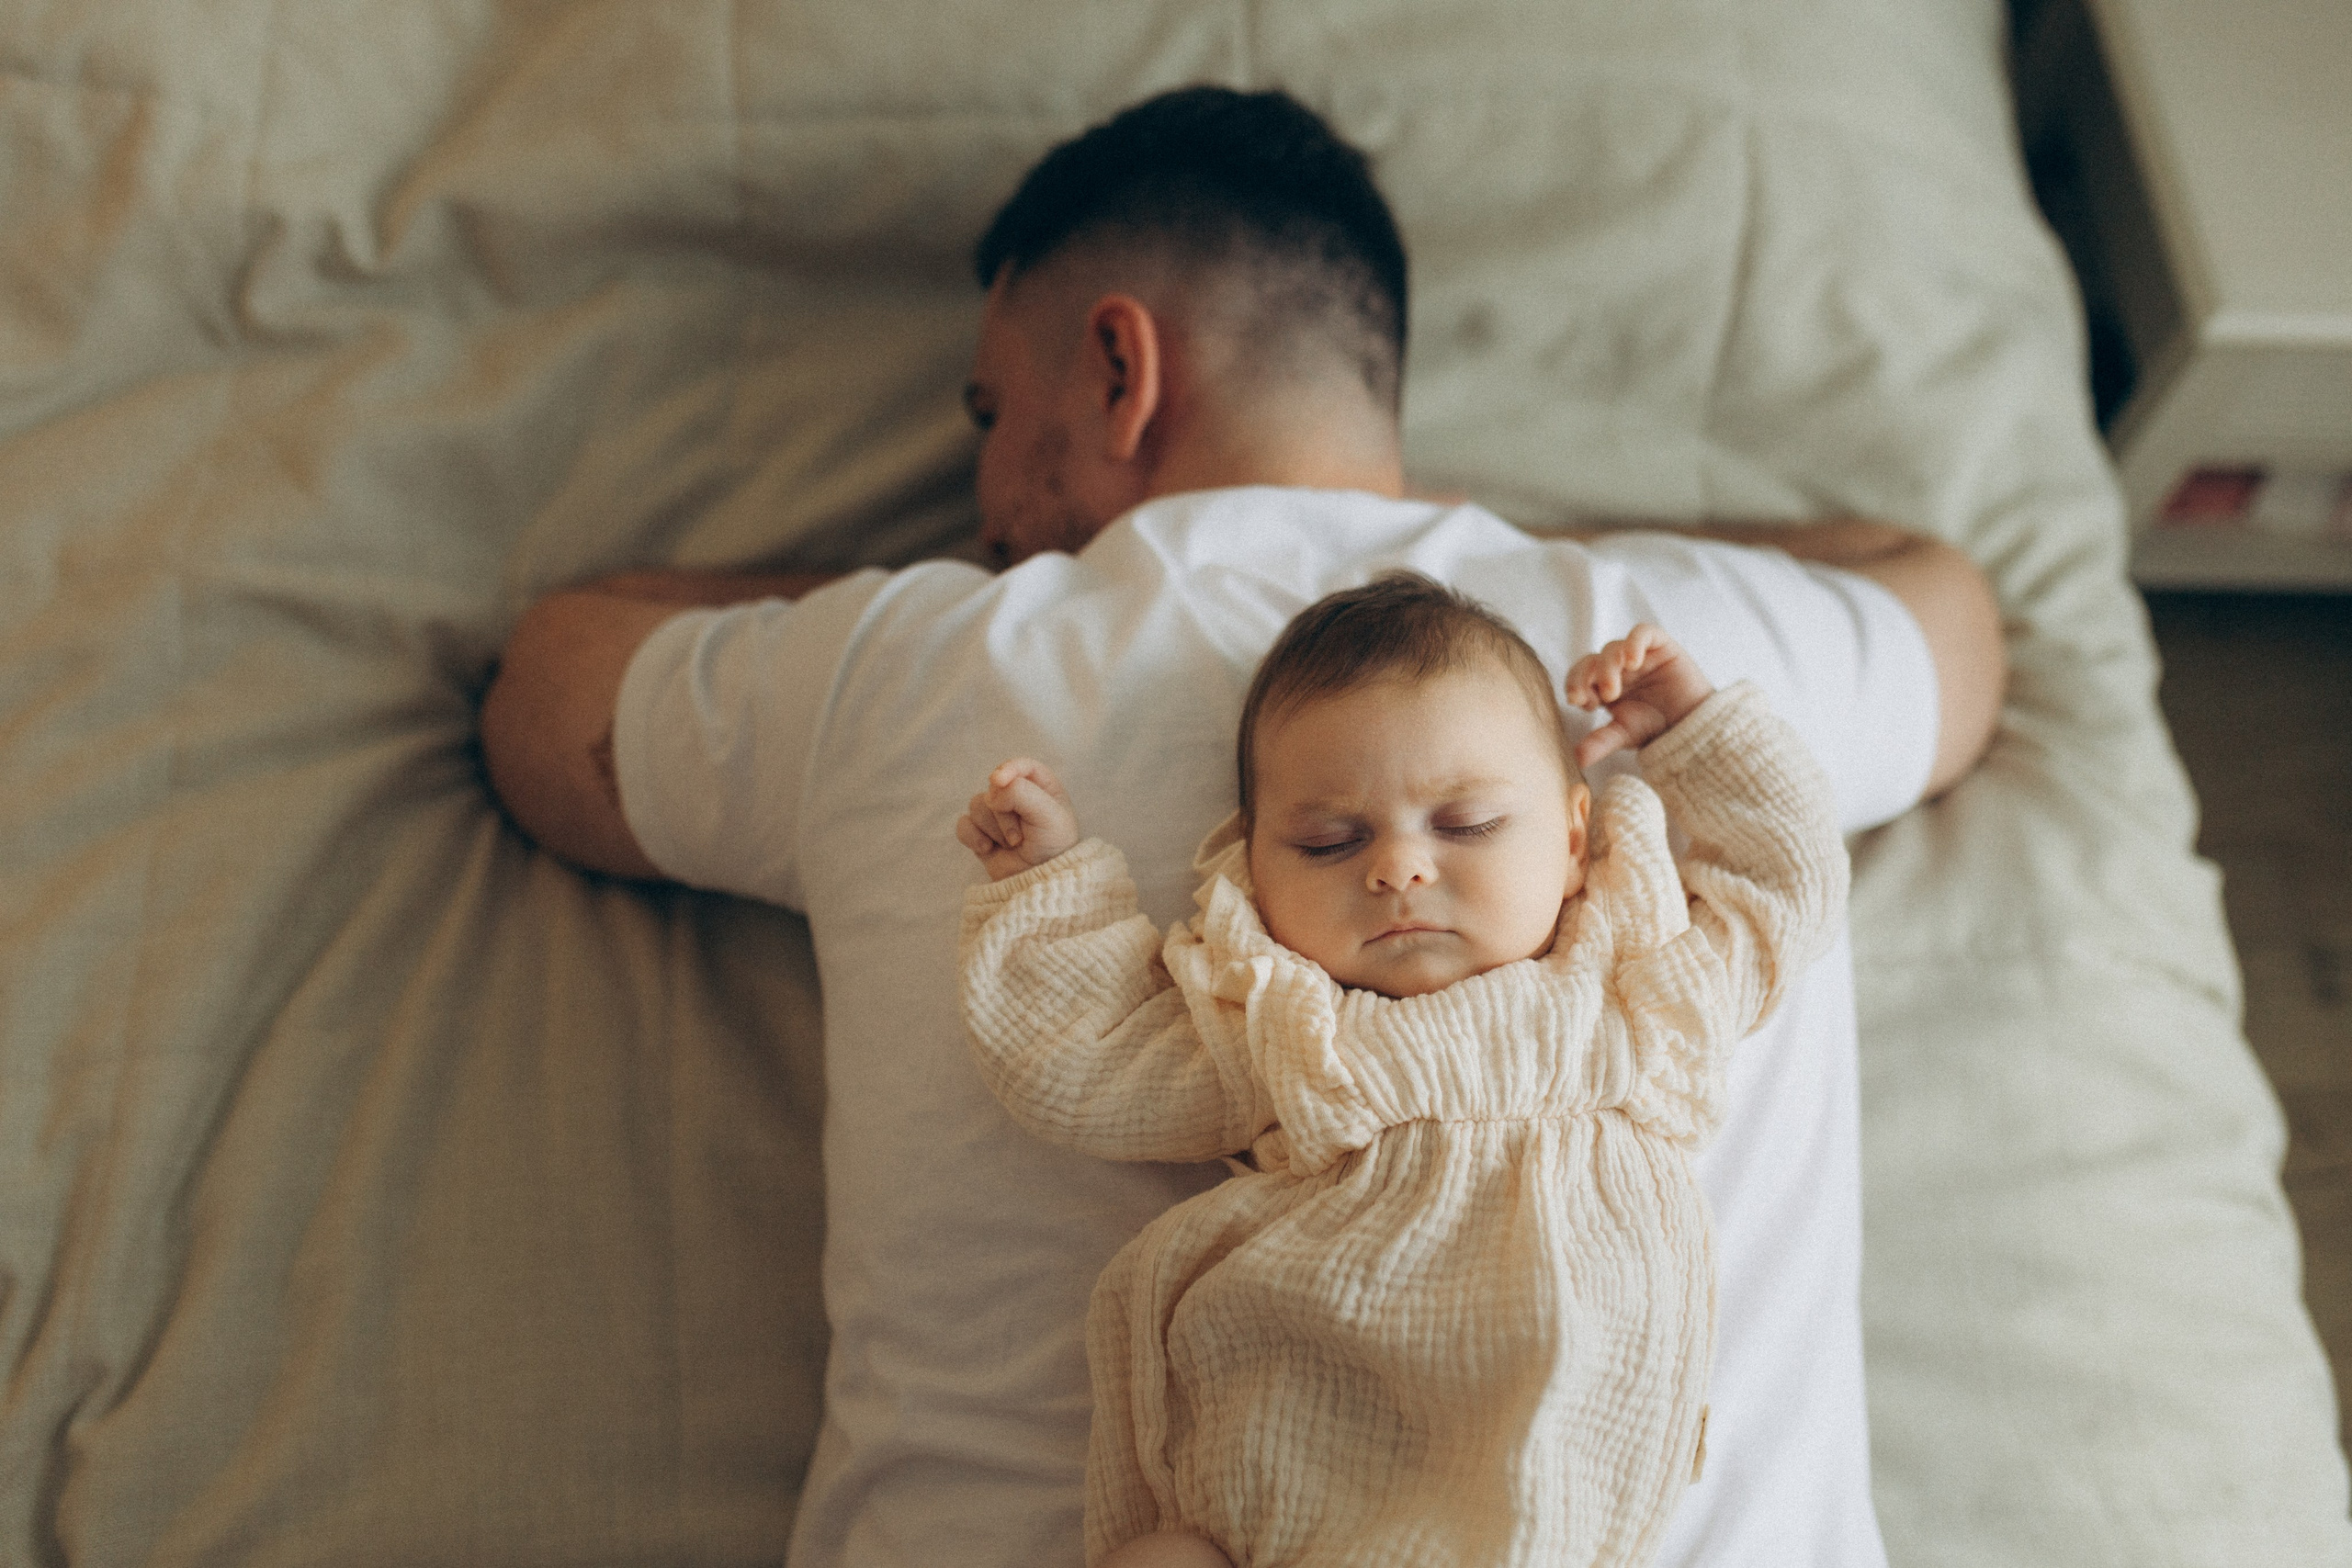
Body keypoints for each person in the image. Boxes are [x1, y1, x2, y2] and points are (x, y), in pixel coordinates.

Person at [479, 85, 2002, 1568]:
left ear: (1117, 364)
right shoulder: (1697, 642)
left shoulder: (909, 662)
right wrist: (1562, 542)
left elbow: (548, 702)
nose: (991, 505)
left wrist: (888, 597)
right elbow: (1954, 620)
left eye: (993, 417)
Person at [955, 579, 1848, 1567]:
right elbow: (1084, 1063)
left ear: (1571, 838)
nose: (1398, 870)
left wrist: (1691, 726)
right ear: (1254, 870)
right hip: (1298, 1434)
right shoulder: (1289, 1026)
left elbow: (1786, 887)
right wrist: (1046, 886)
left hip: (1542, 1482)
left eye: (1464, 823)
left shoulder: (1640, 990)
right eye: (1329, 842)